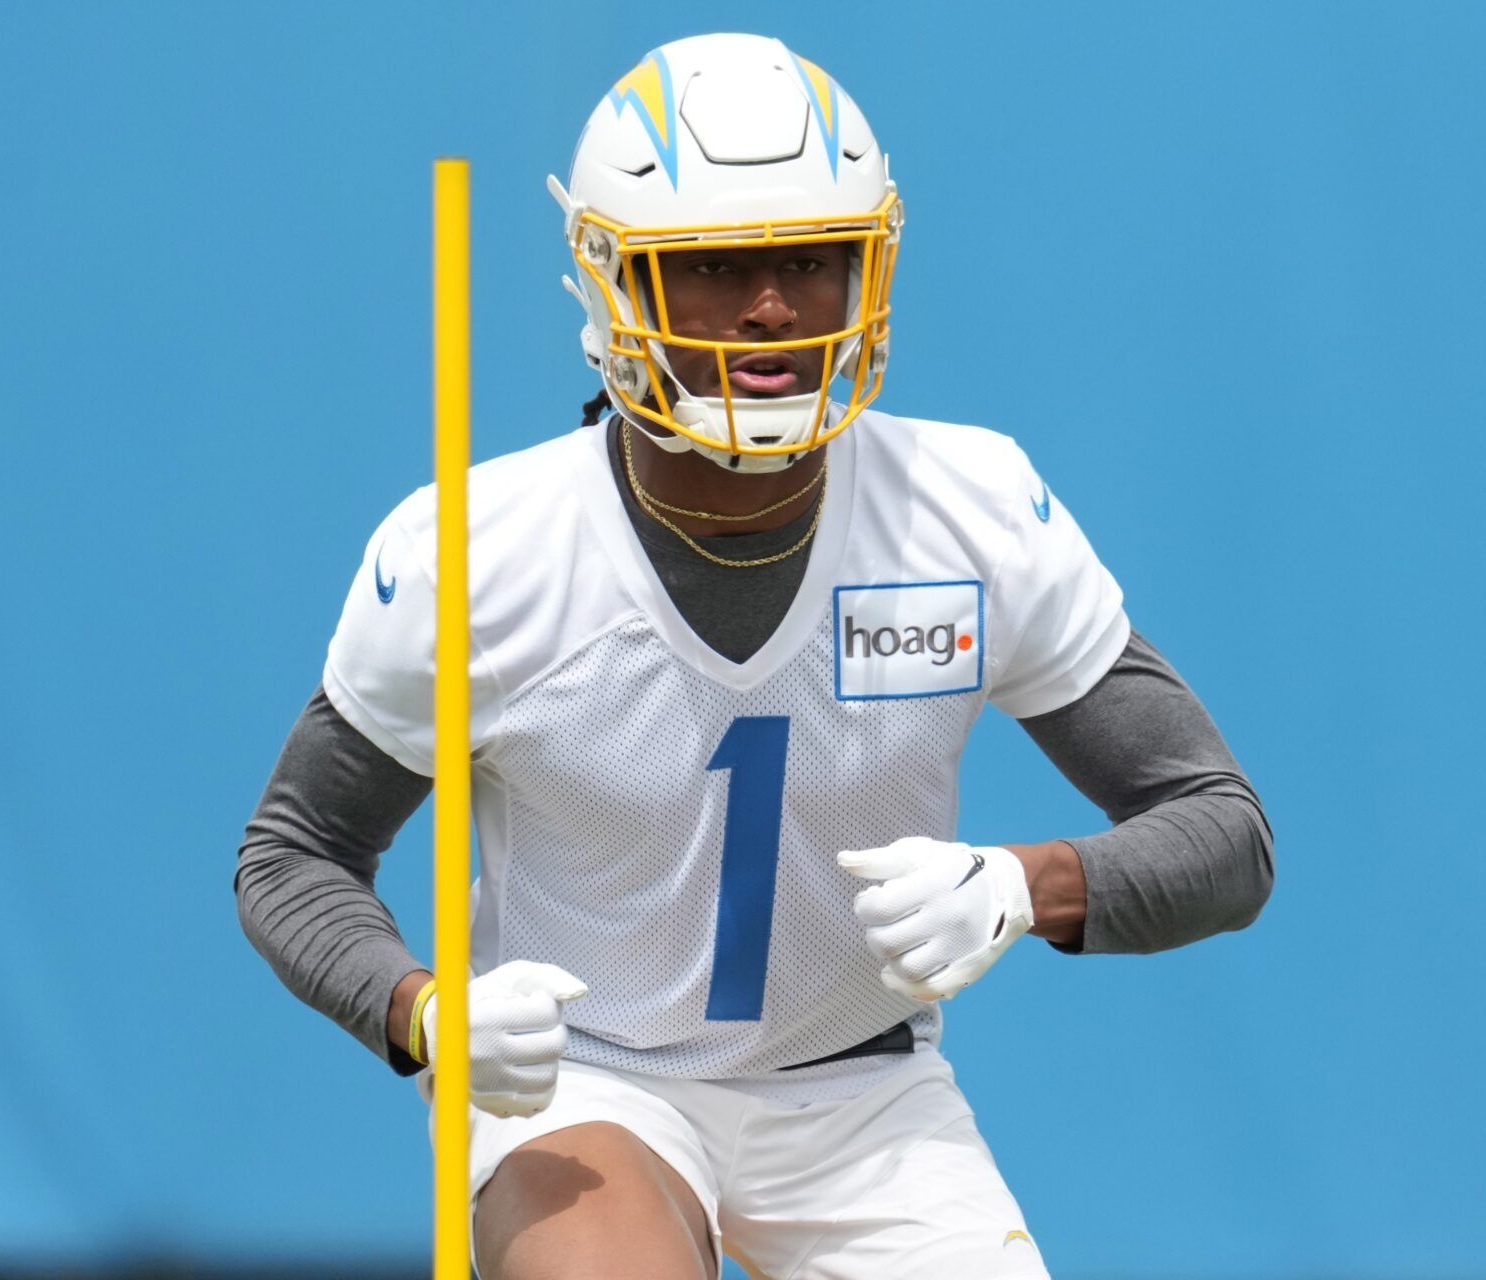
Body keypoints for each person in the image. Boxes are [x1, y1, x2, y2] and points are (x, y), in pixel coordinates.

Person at [238, 32, 1272, 1280]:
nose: (772, 307)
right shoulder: (482, 549)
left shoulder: (973, 506)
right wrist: (423, 1011)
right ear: (614, 283)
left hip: (866, 1096)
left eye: (810, 260)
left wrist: (1021, 882)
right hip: (591, 1089)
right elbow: (295, 853)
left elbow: (1224, 833)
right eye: (716, 267)